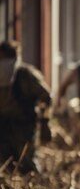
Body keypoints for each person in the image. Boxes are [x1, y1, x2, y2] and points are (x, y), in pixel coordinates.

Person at [0, 41, 51, 173]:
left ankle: (36, 187)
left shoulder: (25, 75)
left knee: (27, 162)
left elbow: (46, 97)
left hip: (23, 126)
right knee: (5, 163)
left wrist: (45, 123)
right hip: (3, 126)